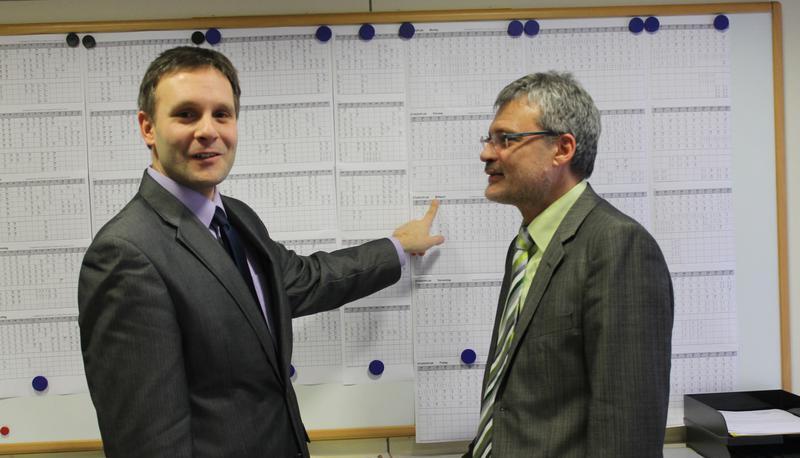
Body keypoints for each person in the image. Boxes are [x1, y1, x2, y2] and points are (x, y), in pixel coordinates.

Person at [78, 46, 444, 458]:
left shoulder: (238, 218)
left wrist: (397, 247)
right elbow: (147, 441)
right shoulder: (126, 254)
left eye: (222, 114)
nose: (208, 130)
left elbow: (306, 280)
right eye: (186, 114)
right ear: (148, 127)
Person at [466, 72, 673, 457]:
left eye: (506, 139)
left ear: (562, 149)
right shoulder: (525, 245)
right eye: (489, 140)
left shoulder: (617, 246)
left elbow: (627, 425)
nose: (487, 153)